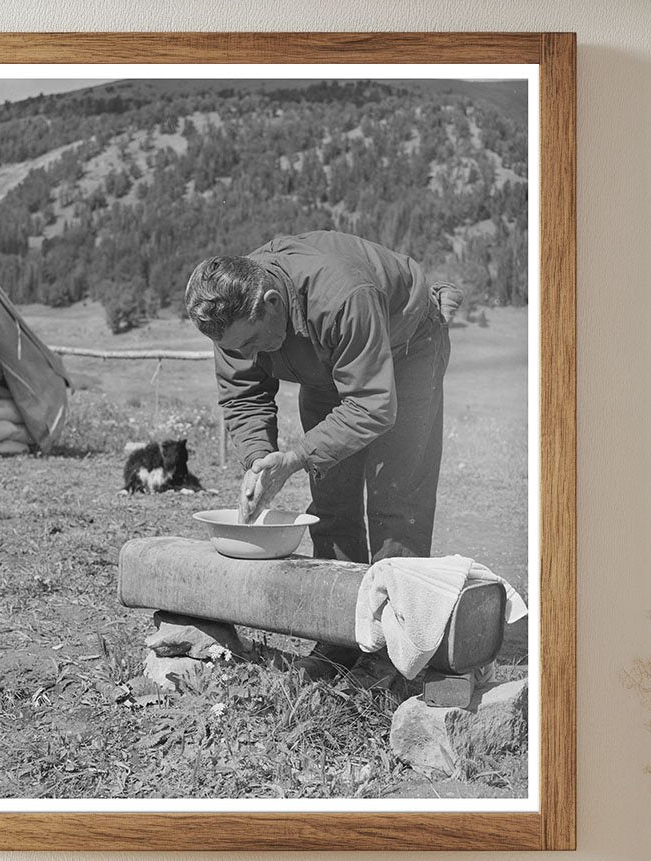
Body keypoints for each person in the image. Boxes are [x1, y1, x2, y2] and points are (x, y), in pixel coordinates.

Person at [184, 230, 462, 682]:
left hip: (406, 347)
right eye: (237, 350)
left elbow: (373, 405)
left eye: (254, 343)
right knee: (331, 496)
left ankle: (394, 643)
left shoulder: (341, 294)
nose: (247, 356)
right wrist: (259, 459)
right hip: (326, 366)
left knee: (397, 498)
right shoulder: (230, 315)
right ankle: (342, 631)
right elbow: (243, 395)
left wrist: (295, 456)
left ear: (273, 302)